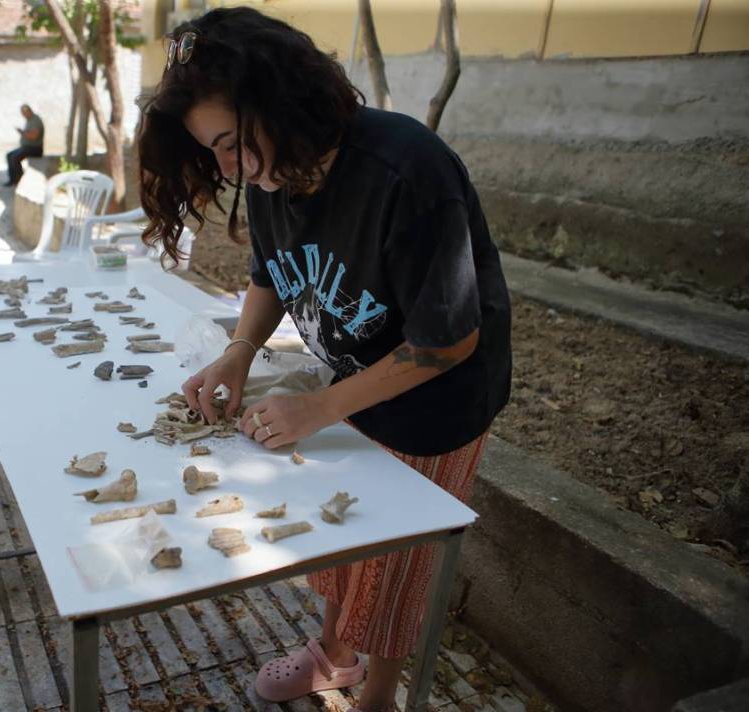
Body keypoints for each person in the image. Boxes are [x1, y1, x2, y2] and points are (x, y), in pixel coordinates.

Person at [136, 7, 512, 712]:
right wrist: (239, 353)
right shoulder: (277, 169)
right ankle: (333, 654)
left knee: (395, 563)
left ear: (279, 103)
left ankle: (378, 693)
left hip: (439, 400)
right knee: (347, 536)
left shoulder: (406, 169)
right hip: (358, 378)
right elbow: (271, 271)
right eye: (210, 152)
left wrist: (319, 406)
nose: (226, 168)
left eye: (228, 144)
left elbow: (448, 341)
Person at [4, 103, 44, 187]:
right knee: (9, 155)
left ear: (29, 111)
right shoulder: (29, 120)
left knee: (15, 157)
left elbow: (34, 136)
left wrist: (22, 132)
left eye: (24, 113)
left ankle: (20, 180)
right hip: (27, 147)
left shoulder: (35, 120)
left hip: (34, 148)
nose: (23, 115)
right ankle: (13, 180)